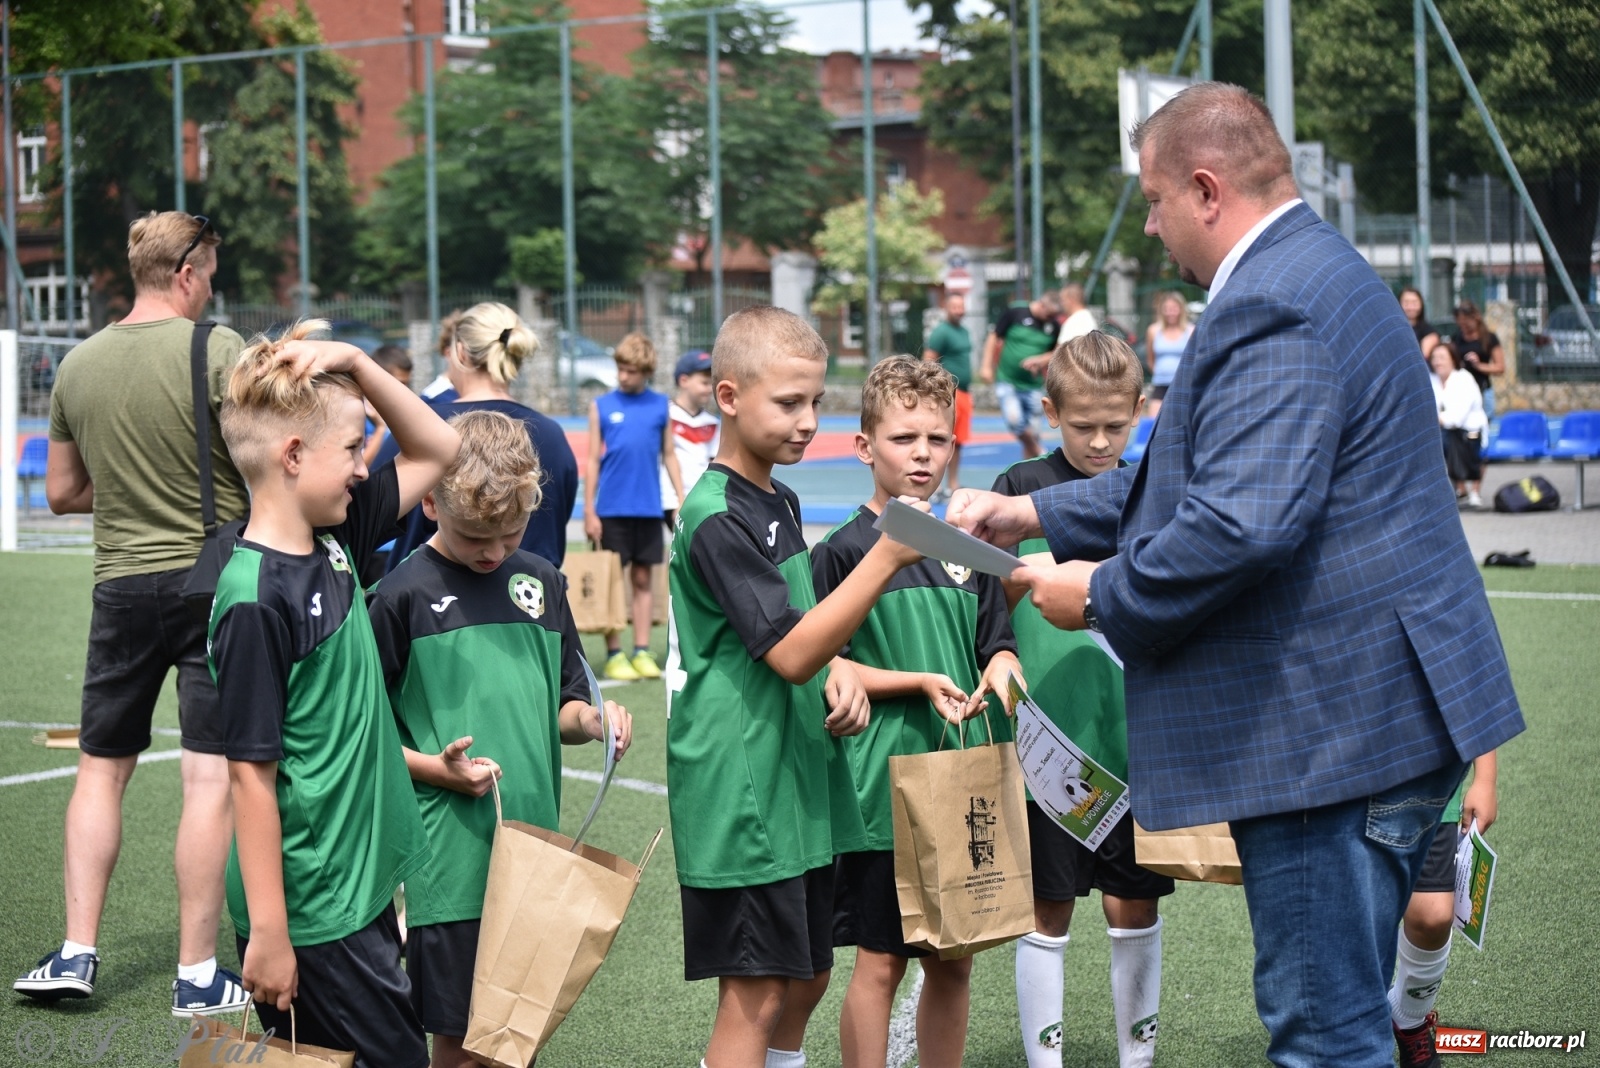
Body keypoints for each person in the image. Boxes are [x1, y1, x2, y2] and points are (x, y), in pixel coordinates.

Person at [946, 83, 1523, 1068]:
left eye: (1154, 199)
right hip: (1375, 716)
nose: (1149, 224)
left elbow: (1240, 525)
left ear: (1205, 189)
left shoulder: (1269, 301)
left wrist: (1091, 593)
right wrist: (1031, 510)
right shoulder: (1319, 270)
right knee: (1343, 1019)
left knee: (1323, 1032)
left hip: (1329, 733)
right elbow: (1195, 480)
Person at [664, 305, 923, 1068]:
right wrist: (883, 557)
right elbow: (787, 653)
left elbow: (801, 624)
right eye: (789, 403)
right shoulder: (714, 515)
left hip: (792, 778)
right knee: (757, 994)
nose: (809, 421)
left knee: (805, 978)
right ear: (729, 397)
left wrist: (840, 666)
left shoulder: (779, 498)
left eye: (816, 401)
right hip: (743, 789)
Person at [208, 321, 459, 1068]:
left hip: (357, 883)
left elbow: (438, 450)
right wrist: (271, 933)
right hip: (315, 906)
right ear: (292, 456)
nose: (363, 469)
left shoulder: (334, 540)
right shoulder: (254, 597)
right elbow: (250, 776)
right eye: (352, 450)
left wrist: (354, 364)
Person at [18, 211, 250, 1016]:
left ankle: (76, 952)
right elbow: (259, 460)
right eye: (211, 272)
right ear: (186, 271)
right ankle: (196, 975)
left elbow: (59, 495)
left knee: (100, 767)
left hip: (119, 586)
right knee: (207, 773)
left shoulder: (77, 365)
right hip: (208, 581)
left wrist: (128, 491)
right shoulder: (218, 349)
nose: (211, 286)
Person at [366, 410, 632, 1068]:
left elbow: (565, 705)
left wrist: (594, 722)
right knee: (458, 1043)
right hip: (450, 861)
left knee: (516, 1041)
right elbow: (358, 736)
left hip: (536, 852)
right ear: (429, 502)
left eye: (510, 532)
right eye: (475, 535)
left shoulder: (541, 581)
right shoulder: (398, 595)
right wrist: (435, 769)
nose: (493, 550)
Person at [814, 357, 1021, 1068]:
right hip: (881, 788)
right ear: (865, 446)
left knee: (954, 960)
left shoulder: (969, 552)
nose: (923, 454)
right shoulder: (842, 551)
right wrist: (915, 681)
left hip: (960, 781)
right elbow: (822, 665)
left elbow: (998, 645)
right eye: (904, 439)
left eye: (937, 439)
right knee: (880, 962)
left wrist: (999, 672)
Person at [991, 333, 1170, 1068]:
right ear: (1049, 410)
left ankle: (1137, 1059)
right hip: (1048, 745)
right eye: (1081, 426)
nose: (1099, 442)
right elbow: (982, 599)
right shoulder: (1017, 488)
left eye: (1115, 426)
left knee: (1136, 905)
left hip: (1138, 740)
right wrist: (999, 647)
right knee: (1049, 908)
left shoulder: (1151, 491)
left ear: (1140, 410)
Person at [381, 302, 578, 573]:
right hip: (533, 604)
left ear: (460, 351)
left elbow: (372, 510)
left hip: (431, 606)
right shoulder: (551, 435)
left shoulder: (421, 426)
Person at [585, 332, 683, 681]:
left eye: (630, 371)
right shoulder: (601, 406)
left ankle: (641, 650)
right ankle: (614, 653)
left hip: (648, 508)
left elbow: (669, 453)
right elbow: (593, 461)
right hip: (610, 510)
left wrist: (680, 495)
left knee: (643, 580)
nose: (623, 376)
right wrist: (589, 509)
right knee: (612, 583)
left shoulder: (660, 406)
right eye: (620, 369)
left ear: (646, 371)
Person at [1389, 752, 1497, 1068]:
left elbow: (1473, 700)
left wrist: (1485, 777)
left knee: (1434, 916)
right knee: (1355, 914)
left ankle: (1408, 1019)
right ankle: (1356, 1024)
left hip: (1430, 778)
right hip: (1342, 777)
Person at [978, 290, 1062, 459]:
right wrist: (986, 366)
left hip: (1032, 384)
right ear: (1041, 305)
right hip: (1008, 380)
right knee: (1015, 420)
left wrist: (1040, 361)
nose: (1051, 318)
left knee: (1034, 430)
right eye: (1049, 314)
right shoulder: (1016, 312)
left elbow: (1056, 351)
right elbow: (994, 337)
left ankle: (1029, 476)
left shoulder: (1053, 326)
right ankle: (1039, 449)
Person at [922, 291, 975, 499]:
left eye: (961, 307)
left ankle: (953, 485)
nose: (959, 311)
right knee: (940, 440)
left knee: (957, 442)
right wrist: (932, 390)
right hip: (949, 394)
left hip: (964, 393)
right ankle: (932, 487)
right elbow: (928, 360)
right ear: (947, 308)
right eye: (955, 307)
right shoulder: (941, 332)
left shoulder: (964, 331)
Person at [661, 349, 720, 528]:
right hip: (670, 500)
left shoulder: (712, 422)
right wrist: (678, 500)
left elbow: (714, 463)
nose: (709, 389)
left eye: (711, 383)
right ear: (683, 381)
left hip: (702, 500)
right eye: (703, 382)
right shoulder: (665, 413)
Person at [1430, 341, 1487, 507]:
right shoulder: (1431, 379)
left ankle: (1474, 492)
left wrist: (1431, 419)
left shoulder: (1464, 379)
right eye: (1434, 358)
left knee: (1446, 438)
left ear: (1453, 359)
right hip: (1445, 430)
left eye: (1442, 357)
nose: (1437, 361)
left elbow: (1457, 418)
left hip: (1470, 431)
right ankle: (1459, 490)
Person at [1449, 299, 1505, 421]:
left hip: (1482, 388)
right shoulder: (1456, 338)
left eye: (1466, 321)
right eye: (1460, 322)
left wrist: (1478, 365)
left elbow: (1500, 368)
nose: (1463, 325)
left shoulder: (1489, 338)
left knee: (1483, 424)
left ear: (1476, 318)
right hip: (1461, 389)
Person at [1142, 291, 1193, 419]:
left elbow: (1194, 359)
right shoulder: (1153, 330)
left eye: (1174, 308)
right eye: (1167, 309)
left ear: (1181, 309)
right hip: (1160, 384)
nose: (1171, 312)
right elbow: (1150, 359)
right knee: (1153, 420)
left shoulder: (1191, 330)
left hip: (1183, 385)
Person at [1399, 287, 1439, 361]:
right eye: (1406, 303)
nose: (1410, 307)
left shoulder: (1429, 332)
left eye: (1414, 303)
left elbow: (1423, 356)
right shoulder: (1394, 330)